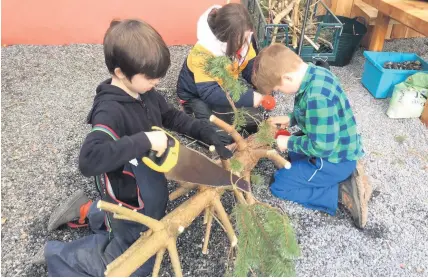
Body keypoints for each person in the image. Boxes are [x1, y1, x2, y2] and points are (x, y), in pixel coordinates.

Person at [32, 19, 232, 276]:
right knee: (135, 260)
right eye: (151, 77)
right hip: (128, 197)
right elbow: (89, 159)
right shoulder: (109, 110)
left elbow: (171, 116)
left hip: (144, 185)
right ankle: (58, 255)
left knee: (139, 219)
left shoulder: (145, 93)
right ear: (120, 73)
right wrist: (146, 140)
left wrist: (205, 132)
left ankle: (83, 210)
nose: (157, 82)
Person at [252, 43, 372, 229]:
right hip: (338, 147)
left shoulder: (317, 97)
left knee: (279, 184)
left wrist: (289, 141)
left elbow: (323, 146)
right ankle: (341, 175)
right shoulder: (316, 73)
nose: (279, 92)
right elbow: (315, 117)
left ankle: (338, 193)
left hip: (332, 159)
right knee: (293, 156)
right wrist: (291, 119)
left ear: (287, 77)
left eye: (278, 88)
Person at [176, 3, 264, 145]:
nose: (246, 42)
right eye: (242, 38)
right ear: (226, 37)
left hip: (224, 89)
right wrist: (250, 97)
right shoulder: (204, 53)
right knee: (222, 138)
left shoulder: (243, 37)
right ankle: (188, 114)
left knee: (256, 120)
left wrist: (260, 82)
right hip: (197, 95)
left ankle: (218, 116)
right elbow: (209, 93)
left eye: (248, 35)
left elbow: (248, 65)